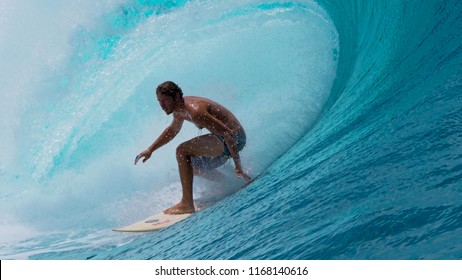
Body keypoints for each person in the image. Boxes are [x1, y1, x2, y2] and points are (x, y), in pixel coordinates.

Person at [135, 81, 251, 214]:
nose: (162, 106)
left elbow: (228, 134)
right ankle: (229, 182)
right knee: (192, 166)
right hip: (224, 139)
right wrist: (150, 150)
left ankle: (187, 204)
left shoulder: (196, 111)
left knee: (181, 151)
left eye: (165, 101)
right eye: (159, 101)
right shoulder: (179, 109)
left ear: (176, 97)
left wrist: (238, 166)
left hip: (235, 138)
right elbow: (172, 130)